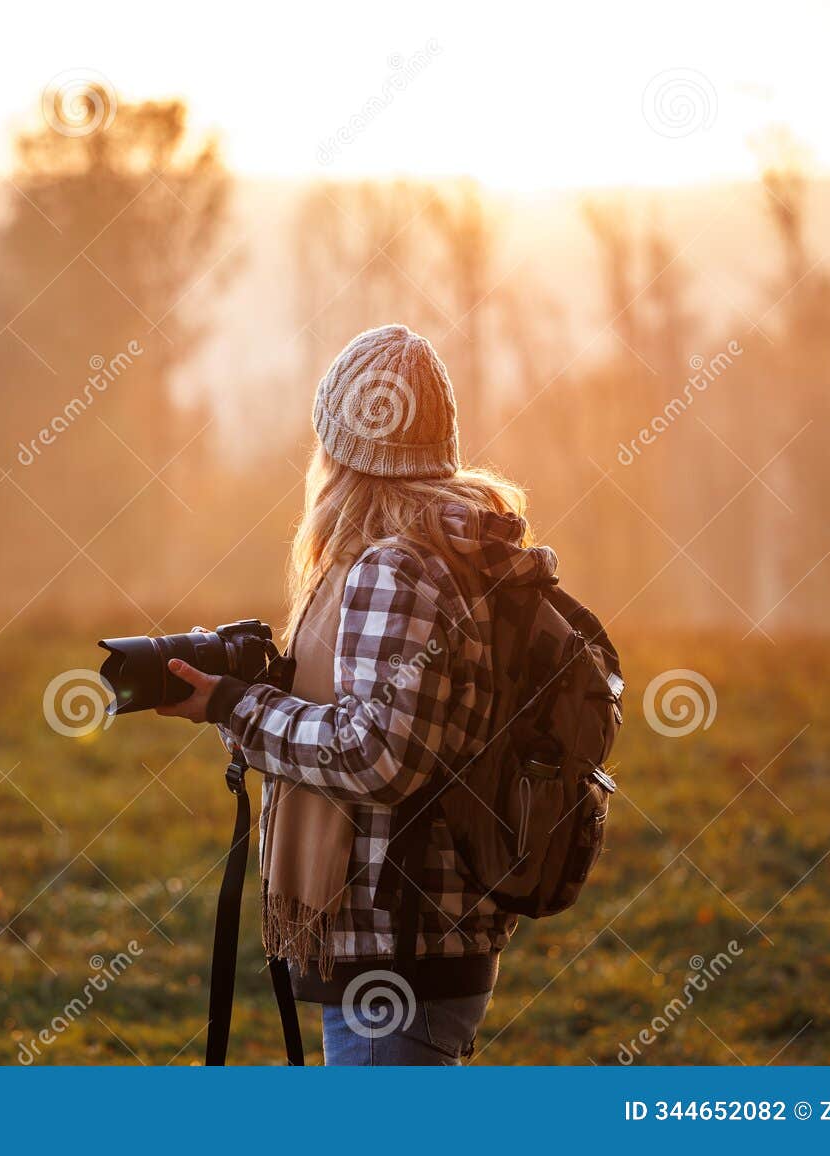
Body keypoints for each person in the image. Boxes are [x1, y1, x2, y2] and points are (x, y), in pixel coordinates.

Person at [158, 323, 558, 1065]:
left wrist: (231, 705)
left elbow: (378, 754)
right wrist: (247, 698)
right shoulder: (451, 552)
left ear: (340, 452)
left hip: (398, 939)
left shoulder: (392, 568)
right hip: (423, 935)